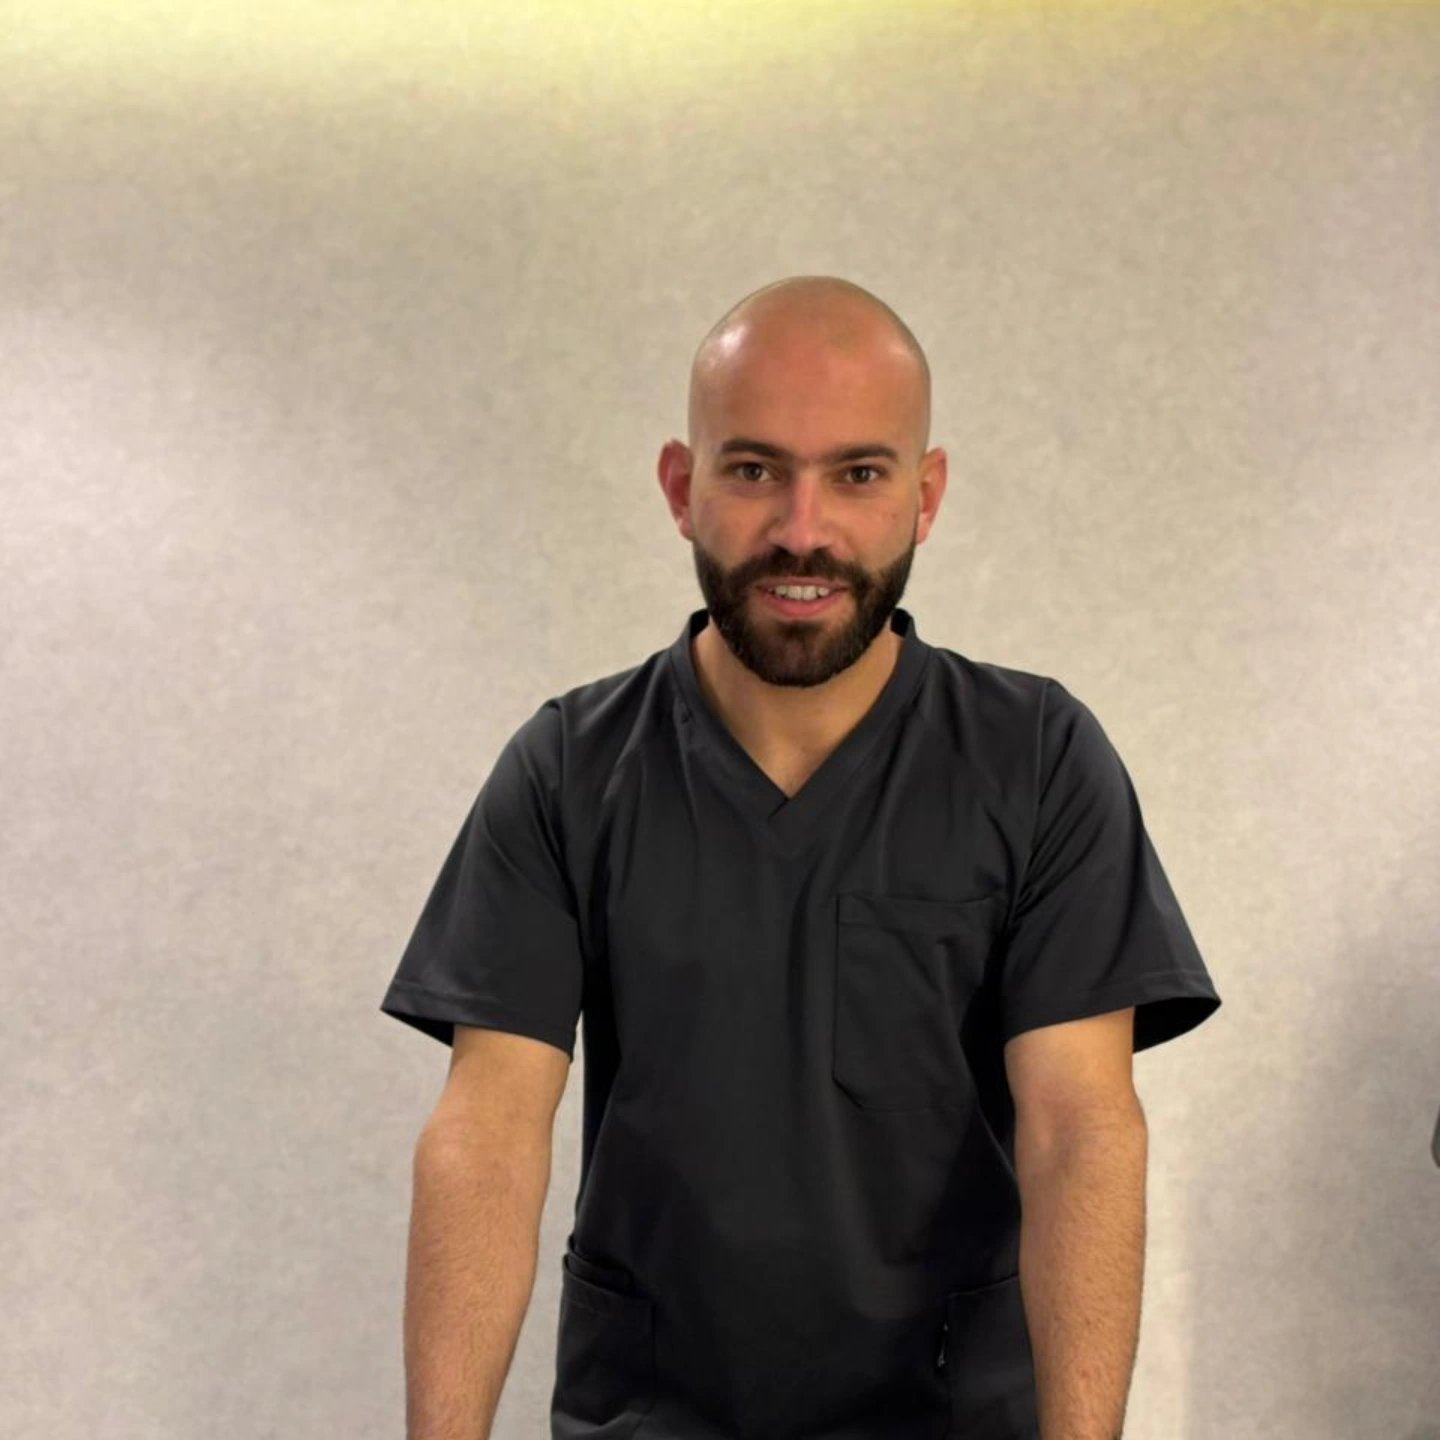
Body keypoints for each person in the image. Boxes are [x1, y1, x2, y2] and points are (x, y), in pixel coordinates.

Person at [380, 275, 1223, 1440]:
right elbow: (489, 1132)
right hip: (654, 1413)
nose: (802, 529)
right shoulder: (571, 769)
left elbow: (1080, 1128)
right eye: (753, 470)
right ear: (682, 488)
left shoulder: (1037, 760)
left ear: (926, 496)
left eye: (859, 474)